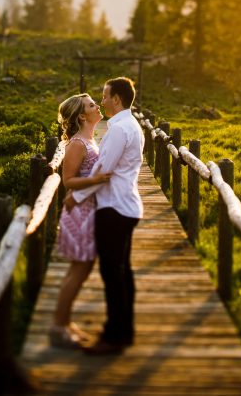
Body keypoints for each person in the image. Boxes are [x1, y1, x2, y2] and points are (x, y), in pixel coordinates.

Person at [70, 77, 144, 354]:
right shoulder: (131, 125)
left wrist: (74, 196)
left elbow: (102, 172)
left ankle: (114, 337)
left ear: (117, 99)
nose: (101, 101)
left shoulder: (119, 129)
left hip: (114, 207)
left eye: (104, 96)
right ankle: (124, 331)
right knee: (122, 272)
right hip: (127, 204)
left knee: (112, 273)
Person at [49, 93, 112, 349]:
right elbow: (68, 181)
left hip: (90, 210)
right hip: (80, 213)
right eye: (91, 105)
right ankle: (57, 325)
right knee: (77, 270)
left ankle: (64, 322)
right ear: (82, 116)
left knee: (82, 269)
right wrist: (97, 180)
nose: (97, 106)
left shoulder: (89, 139)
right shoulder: (77, 143)